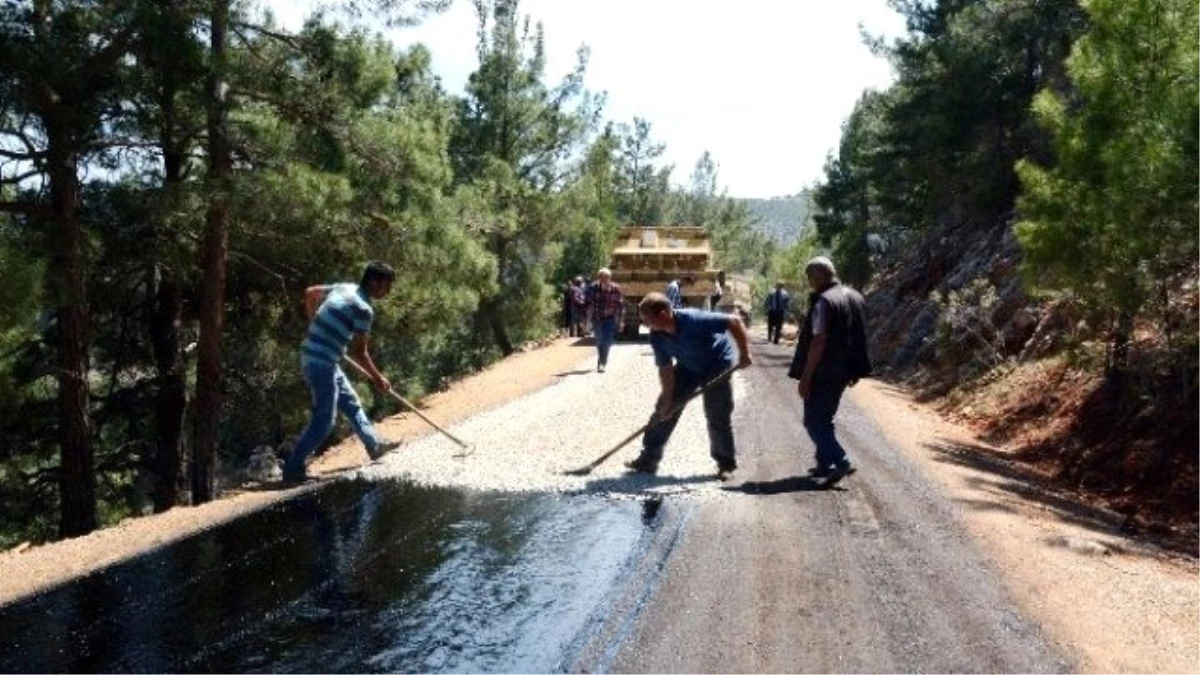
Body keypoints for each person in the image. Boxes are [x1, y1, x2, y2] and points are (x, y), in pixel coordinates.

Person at [284, 261, 401, 483]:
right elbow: (360, 352)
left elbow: (311, 293)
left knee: (351, 402)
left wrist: (313, 321)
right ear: (374, 282)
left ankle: (374, 445)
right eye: (386, 286)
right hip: (321, 364)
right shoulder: (363, 309)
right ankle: (292, 470)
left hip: (318, 358)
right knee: (324, 421)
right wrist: (378, 379)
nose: (388, 291)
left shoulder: (344, 287)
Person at [624, 292, 753, 480]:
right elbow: (666, 369)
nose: (646, 325)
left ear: (662, 315)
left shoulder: (694, 319)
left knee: (717, 413)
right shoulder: (657, 336)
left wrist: (745, 353)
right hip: (688, 367)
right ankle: (648, 459)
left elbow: (733, 321)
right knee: (662, 411)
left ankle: (726, 464)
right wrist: (668, 401)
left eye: (647, 320)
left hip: (716, 365)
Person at [787, 256, 871, 488]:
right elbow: (859, 335)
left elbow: (818, 341)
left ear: (820, 276)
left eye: (810, 278)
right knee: (825, 418)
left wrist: (805, 377)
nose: (809, 283)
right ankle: (824, 464)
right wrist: (855, 369)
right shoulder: (855, 296)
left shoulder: (824, 301)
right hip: (845, 369)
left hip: (824, 372)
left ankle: (841, 460)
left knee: (813, 422)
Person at [586, 268, 623, 372]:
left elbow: (620, 306)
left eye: (608, 278)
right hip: (597, 318)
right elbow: (589, 304)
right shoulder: (593, 288)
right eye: (603, 278)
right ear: (599, 278)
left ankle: (602, 362)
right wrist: (587, 321)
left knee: (607, 341)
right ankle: (601, 358)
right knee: (599, 340)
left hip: (610, 319)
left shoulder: (616, 289)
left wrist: (621, 321)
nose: (606, 280)